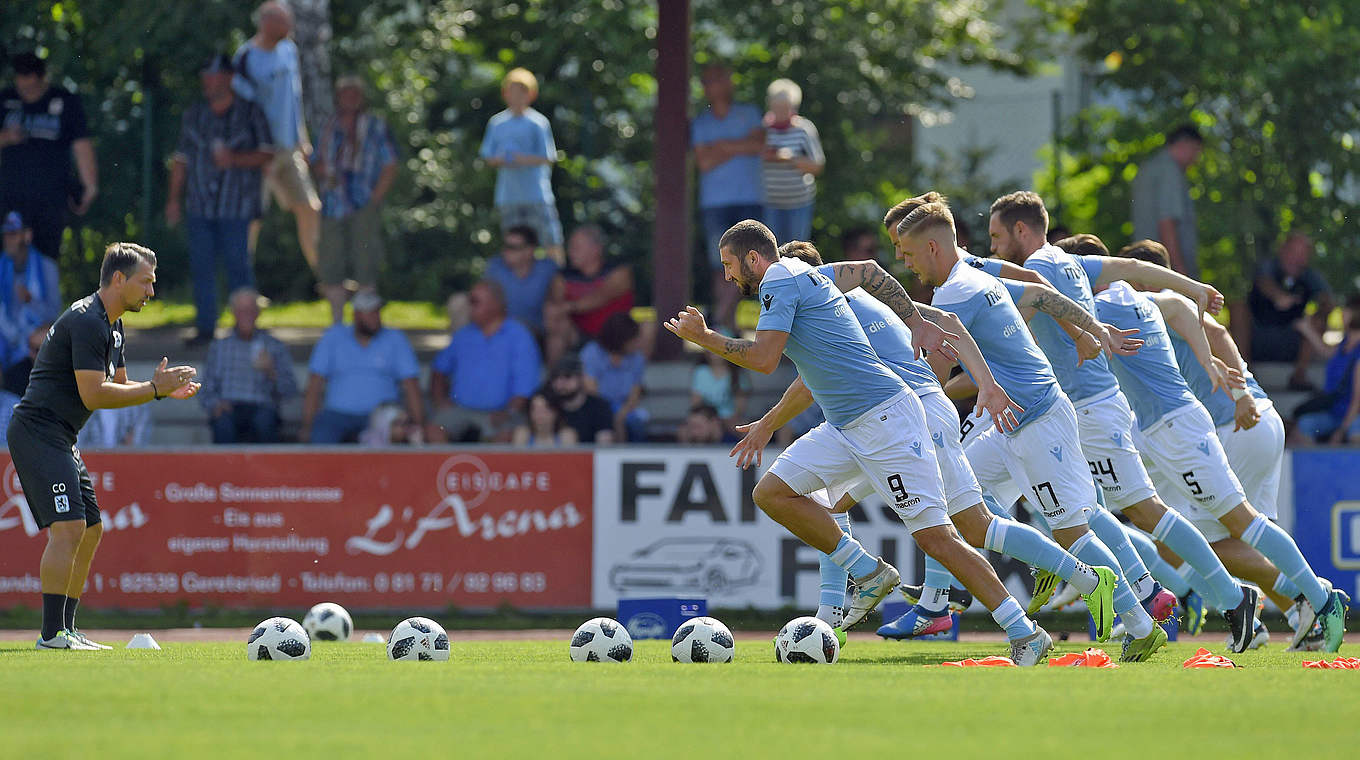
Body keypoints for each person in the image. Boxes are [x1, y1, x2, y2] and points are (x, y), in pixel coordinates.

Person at [665, 219, 1057, 665]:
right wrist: (914, 321)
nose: (728, 276)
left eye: (730, 265)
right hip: (844, 425)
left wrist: (704, 339)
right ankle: (868, 571)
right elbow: (869, 271)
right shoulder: (808, 274)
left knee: (939, 538)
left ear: (754, 258)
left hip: (887, 421)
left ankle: (1025, 632)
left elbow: (763, 359)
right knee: (773, 492)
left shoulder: (777, 278)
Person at [750, 240, 1119, 641]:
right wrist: (984, 383)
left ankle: (863, 608)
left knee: (962, 528)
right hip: (910, 413)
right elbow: (948, 322)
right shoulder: (862, 299)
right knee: (845, 505)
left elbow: (806, 385)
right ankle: (839, 615)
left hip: (906, 419)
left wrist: (766, 424)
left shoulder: (831, 310)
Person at [891, 200, 1171, 661]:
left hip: (1038, 421)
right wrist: (1093, 328)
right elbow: (1042, 295)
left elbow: (935, 373)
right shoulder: (979, 278)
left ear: (934, 248)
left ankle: (1139, 624)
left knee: (1074, 532)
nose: (904, 262)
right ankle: (1033, 583)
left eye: (907, 253)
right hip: (1008, 425)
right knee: (964, 509)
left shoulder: (953, 295)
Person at [978, 192, 1257, 646]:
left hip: (1088, 409)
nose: (993, 246)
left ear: (1021, 230)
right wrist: (1191, 287)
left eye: (996, 236)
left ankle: (1213, 594)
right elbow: (1134, 269)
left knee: (1134, 510)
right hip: (1074, 408)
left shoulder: (1043, 271)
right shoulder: (1069, 263)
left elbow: (1022, 325)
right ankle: (1134, 587)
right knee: (1082, 507)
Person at [1091, 257, 1347, 651]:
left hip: (1235, 422)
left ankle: (1312, 599)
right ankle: (1302, 612)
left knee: (1215, 538)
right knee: (1238, 538)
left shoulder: (1141, 304)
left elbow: (1218, 331)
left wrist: (1241, 393)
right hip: (1249, 421)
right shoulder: (1151, 310)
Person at [6, 243, 199, 649]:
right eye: (146, 281)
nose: (151, 291)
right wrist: (154, 390)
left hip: (60, 434)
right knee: (69, 527)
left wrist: (161, 392)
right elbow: (94, 395)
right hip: (38, 431)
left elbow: (120, 385)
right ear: (118, 279)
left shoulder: (111, 323)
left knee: (91, 529)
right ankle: (51, 634)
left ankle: (68, 630)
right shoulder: (89, 321)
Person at [166, 54, 274, 347]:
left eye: (212, 76)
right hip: (199, 206)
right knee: (202, 267)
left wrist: (235, 159)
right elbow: (181, 160)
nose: (207, 82)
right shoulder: (194, 114)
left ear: (228, 78)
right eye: (204, 77)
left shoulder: (251, 113)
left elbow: (267, 153)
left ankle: (246, 329)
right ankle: (205, 328)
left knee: (239, 267)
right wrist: (173, 200)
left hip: (236, 207)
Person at [233, 1, 322, 274]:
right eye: (284, 22)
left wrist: (302, 139)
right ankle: (243, 285)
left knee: (310, 208)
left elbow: (295, 98)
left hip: (289, 148)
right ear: (266, 23)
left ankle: (327, 280)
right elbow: (241, 112)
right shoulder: (246, 58)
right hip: (259, 154)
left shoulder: (288, 50)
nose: (290, 27)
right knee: (252, 219)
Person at [313, 75, 399, 324]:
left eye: (355, 94)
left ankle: (366, 321)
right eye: (345, 94)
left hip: (363, 202)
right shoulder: (328, 126)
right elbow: (317, 161)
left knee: (366, 263)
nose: (350, 98)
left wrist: (375, 197)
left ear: (362, 98)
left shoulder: (375, 126)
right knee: (330, 265)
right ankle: (337, 324)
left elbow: (390, 164)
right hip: (332, 203)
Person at [0, 52, 98, 262]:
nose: (27, 93)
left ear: (43, 79)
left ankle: (42, 293)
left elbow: (81, 144)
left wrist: (89, 185)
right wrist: (6, 137)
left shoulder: (65, 101)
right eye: (22, 86)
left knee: (46, 255)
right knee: (10, 253)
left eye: (32, 87)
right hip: (11, 195)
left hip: (52, 195)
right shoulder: (5, 100)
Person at [692, 63, 765, 330]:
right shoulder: (701, 121)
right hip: (714, 203)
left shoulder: (749, 113)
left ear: (729, 82)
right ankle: (727, 323)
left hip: (750, 199)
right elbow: (704, 163)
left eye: (717, 78)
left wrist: (721, 147)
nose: (712, 86)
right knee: (719, 264)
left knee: (749, 260)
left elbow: (759, 145)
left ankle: (720, 317)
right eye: (707, 81)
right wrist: (738, 145)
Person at [301, 290, 423, 444]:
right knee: (322, 436)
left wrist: (418, 424)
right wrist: (306, 425)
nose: (376, 318)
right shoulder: (333, 337)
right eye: (370, 313)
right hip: (337, 415)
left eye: (377, 312)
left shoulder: (395, 338)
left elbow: (411, 383)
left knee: (390, 433)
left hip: (382, 414)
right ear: (356, 315)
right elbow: (314, 383)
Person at [429, 280, 541, 442]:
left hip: (502, 412)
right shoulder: (464, 335)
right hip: (460, 410)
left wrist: (509, 413)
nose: (469, 306)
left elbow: (525, 387)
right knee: (434, 431)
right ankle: (444, 468)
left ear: (495, 305)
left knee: (505, 437)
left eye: (475, 301)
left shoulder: (519, 336)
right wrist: (440, 401)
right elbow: (438, 370)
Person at [479, 67, 563, 265]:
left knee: (551, 241)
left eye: (522, 91)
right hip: (509, 197)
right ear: (505, 93)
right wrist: (501, 159)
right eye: (513, 91)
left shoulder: (538, 123)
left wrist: (520, 159)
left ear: (531, 94)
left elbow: (548, 157)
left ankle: (561, 289)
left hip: (536, 196)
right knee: (515, 248)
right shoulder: (497, 123)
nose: (517, 96)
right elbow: (488, 157)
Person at [197, 287, 299, 443]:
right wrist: (216, 405)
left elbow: (290, 391)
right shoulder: (219, 347)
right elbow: (206, 390)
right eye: (241, 310)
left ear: (258, 313)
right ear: (233, 313)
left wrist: (271, 372)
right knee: (223, 424)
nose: (246, 315)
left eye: (251, 310)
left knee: (265, 423)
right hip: (228, 407)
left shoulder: (274, 346)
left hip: (262, 407)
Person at [1246, 233, 1334, 389]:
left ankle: (1299, 375)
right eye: (1293, 252)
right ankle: (1245, 371)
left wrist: (1322, 308)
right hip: (1257, 338)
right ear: (1282, 250)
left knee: (1318, 319)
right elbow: (1263, 281)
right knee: (1238, 309)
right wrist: (1278, 296)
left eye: (1302, 254)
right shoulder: (1268, 266)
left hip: (1292, 341)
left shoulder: (1311, 276)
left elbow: (1327, 300)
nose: (1296, 259)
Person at [545, 225, 634, 361]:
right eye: (570, 247)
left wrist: (569, 306)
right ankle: (555, 378)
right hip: (578, 335)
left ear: (596, 249)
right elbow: (555, 309)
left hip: (616, 335)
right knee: (557, 331)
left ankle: (634, 376)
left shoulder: (619, 272)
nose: (571, 252)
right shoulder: (563, 277)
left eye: (576, 247)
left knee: (648, 327)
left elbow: (601, 296)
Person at [0, 211, 62, 395]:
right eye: (5, 234)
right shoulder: (1, 268)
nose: (8, 240)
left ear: (27, 236)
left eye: (13, 234)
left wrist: (31, 301)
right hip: (8, 346)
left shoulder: (46, 267)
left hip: (36, 349)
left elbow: (54, 313)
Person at [1131, 124, 1203, 277]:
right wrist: (1180, 274)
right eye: (1196, 150)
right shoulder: (1170, 171)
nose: (1196, 158)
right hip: (1165, 271)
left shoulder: (1150, 167)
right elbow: (1167, 223)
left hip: (1147, 266)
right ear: (1183, 144)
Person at [760, 79, 823, 244]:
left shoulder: (804, 129)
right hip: (770, 203)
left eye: (785, 107)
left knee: (797, 250)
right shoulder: (762, 130)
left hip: (799, 203)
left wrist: (788, 158)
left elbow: (817, 165)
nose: (780, 112)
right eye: (777, 107)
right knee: (772, 251)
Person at [1294, 299, 1360, 445]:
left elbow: (1357, 400)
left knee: (1356, 430)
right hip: (1335, 411)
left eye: (1346, 311)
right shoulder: (1345, 343)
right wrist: (1307, 329)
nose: (1342, 314)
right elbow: (1326, 351)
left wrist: (1342, 430)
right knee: (1304, 425)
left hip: (1354, 415)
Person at [580, 312, 647, 441]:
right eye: (633, 340)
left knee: (635, 424)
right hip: (598, 407)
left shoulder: (637, 358)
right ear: (620, 339)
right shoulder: (592, 353)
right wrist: (609, 414)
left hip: (625, 408)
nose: (637, 343)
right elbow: (591, 390)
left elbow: (635, 392)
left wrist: (621, 415)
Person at [484, 225, 562, 335]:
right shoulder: (495, 267)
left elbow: (559, 297)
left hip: (534, 330)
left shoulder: (547, 268)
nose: (505, 251)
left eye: (512, 247)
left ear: (530, 250)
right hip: (498, 328)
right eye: (505, 246)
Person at [546, 356, 615, 445]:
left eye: (567, 376)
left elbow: (604, 447)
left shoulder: (600, 407)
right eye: (555, 377)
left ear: (581, 378)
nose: (560, 383)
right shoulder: (548, 405)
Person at [690, 351, 750, 430]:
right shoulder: (700, 372)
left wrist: (725, 421)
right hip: (707, 420)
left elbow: (740, 408)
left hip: (731, 421)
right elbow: (696, 405)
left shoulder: (738, 373)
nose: (714, 352)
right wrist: (710, 420)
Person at [511, 392, 578, 448]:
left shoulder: (566, 435)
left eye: (545, 409)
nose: (539, 413)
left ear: (555, 412)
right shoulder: (522, 434)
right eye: (535, 409)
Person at [76, 406, 152, 450]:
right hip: (92, 463)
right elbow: (78, 444)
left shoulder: (139, 406)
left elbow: (138, 445)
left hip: (123, 462)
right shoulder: (84, 405)